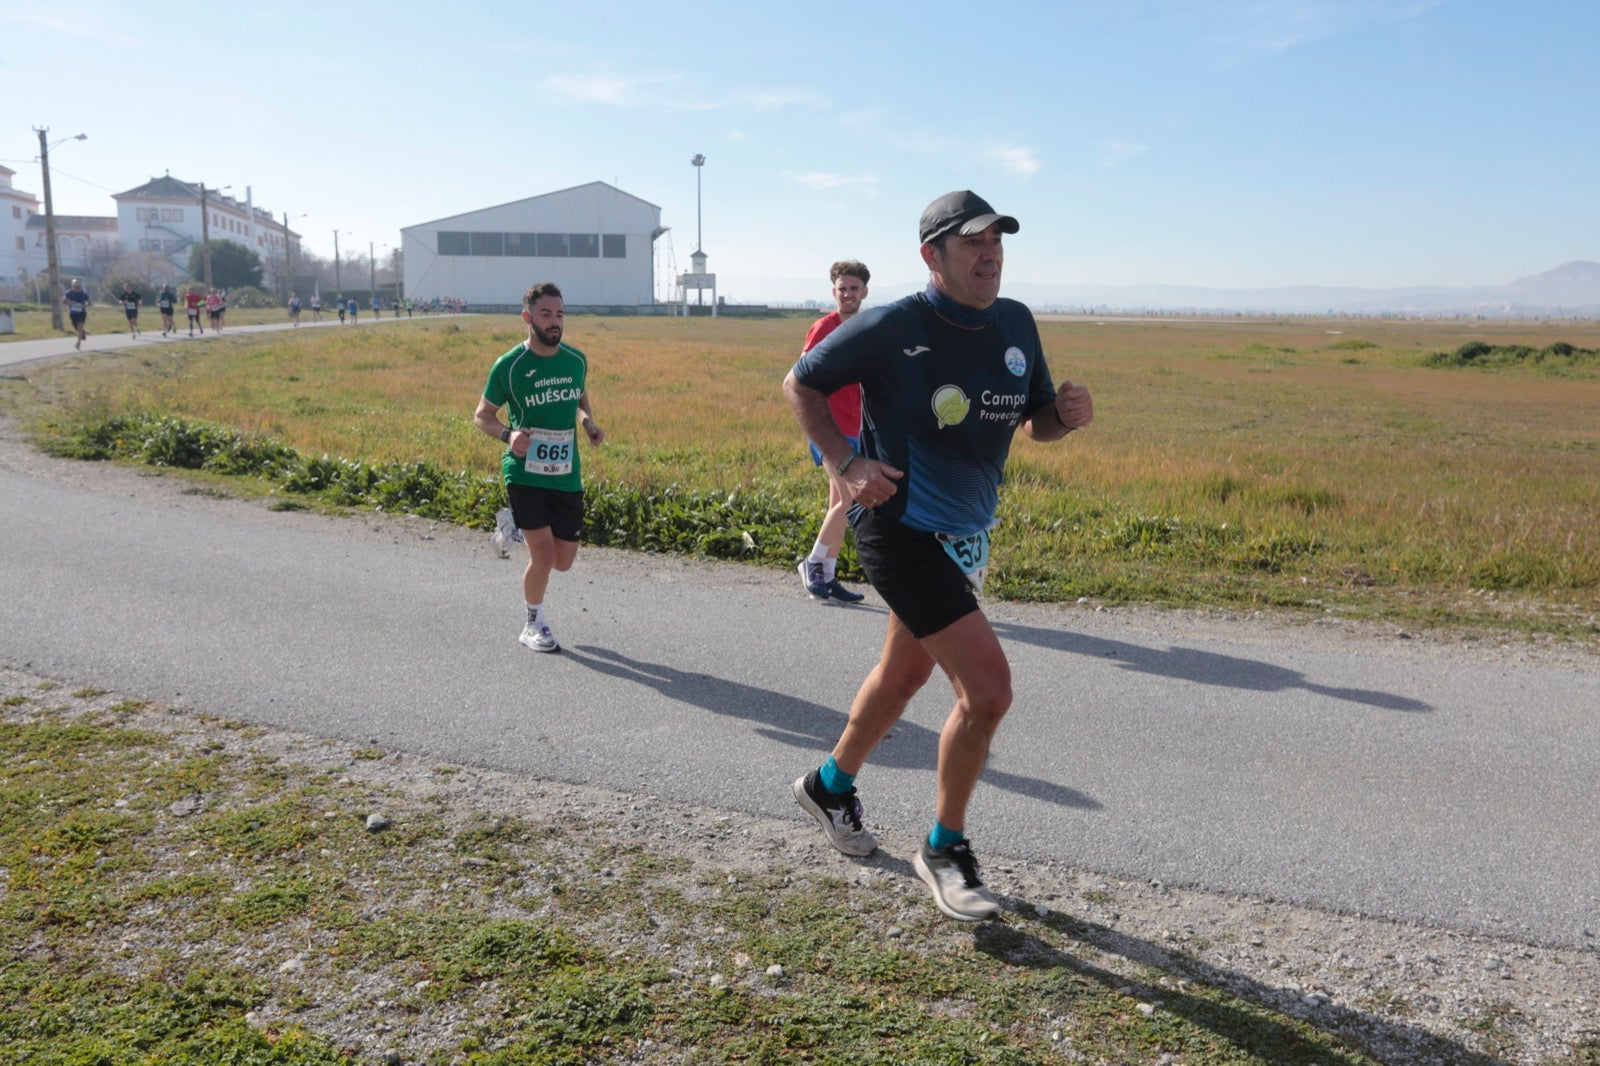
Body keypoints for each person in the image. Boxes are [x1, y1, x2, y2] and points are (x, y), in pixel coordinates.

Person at [783, 190, 1094, 921]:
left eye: (997, 243)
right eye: (973, 243)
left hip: (968, 533)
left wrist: (1064, 418)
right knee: (987, 690)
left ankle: (829, 786)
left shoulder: (1015, 322)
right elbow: (802, 382)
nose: (990, 255)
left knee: (902, 674)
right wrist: (846, 462)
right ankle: (944, 849)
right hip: (897, 524)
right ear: (933, 255)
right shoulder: (894, 325)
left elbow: (1035, 423)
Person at [472, 282, 604, 654]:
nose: (555, 322)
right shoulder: (509, 366)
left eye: (560, 314)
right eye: (546, 314)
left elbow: (579, 397)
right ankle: (533, 623)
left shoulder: (576, 361)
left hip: (566, 472)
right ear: (527, 317)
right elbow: (482, 416)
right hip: (524, 471)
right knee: (543, 556)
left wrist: (587, 423)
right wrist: (508, 435)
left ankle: (510, 531)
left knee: (563, 562)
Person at [796, 260, 871, 604]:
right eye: (842, 288)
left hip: (855, 427)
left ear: (864, 291)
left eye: (854, 288)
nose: (848, 294)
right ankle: (812, 564)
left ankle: (827, 574)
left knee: (837, 502)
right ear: (834, 292)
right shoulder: (823, 328)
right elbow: (802, 378)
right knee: (848, 498)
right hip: (827, 427)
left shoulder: (868, 328)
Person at [64, 278, 89, 350]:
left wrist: (85, 305)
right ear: (72, 285)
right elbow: (63, 302)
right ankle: (82, 332)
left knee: (80, 326)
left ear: (79, 285)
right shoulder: (68, 293)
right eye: (75, 285)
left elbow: (89, 303)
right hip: (73, 314)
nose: (76, 287)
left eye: (77, 285)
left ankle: (78, 343)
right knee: (78, 329)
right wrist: (70, 303)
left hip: (82, 313)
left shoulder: (84, 294)